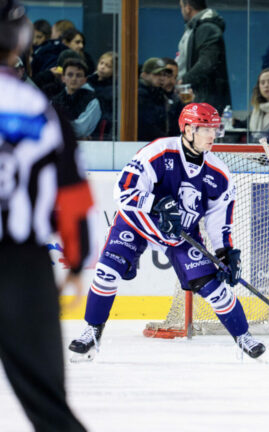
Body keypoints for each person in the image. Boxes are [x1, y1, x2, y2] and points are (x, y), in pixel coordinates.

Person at [68, 102, 266, 361]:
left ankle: (243, 337)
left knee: (215, 289)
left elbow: (220, 220)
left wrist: (225, 252)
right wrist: (155, 204)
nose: (212, 135)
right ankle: (92, 331)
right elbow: (123, 191)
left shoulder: (219, 173)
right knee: (107, 272)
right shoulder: (159, 152)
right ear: (187, 129)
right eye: (205, 129)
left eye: (214, 129)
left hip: (180, 234)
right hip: (137, 223)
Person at [0, 2, 93, 429]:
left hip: (22, 262)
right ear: (20, 41)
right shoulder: (39, 107)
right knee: (47, 401)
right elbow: (71, 191)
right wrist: (76, 259)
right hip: (21, 264)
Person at [176, 0, 231, 112]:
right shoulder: (195, 29)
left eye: (181, 7)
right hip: (200, 99)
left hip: (206, 101)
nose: (181, 11)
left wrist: (184, 80)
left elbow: (207, 62)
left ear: (188, 8)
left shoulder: (207, 29)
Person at [51, 58, 101, 139]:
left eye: (78, 75)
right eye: (70, 75)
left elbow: (80, 130)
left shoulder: (92, 101)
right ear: (63, 78)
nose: (74, 79)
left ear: (85, 80)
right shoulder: (55, 100)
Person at [137, 57, 173, 140]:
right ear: (144, 75)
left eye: (163, 74)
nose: (162, 78)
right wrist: (167, 140)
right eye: (157, 74)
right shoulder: (139, 94)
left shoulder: (160, 93)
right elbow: (147, 126)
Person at [87, 51, 116, 140]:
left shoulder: (113, 88)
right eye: (101, 63)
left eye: (108, 66)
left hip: (101, 126)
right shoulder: (88, 81)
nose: (102, 67)